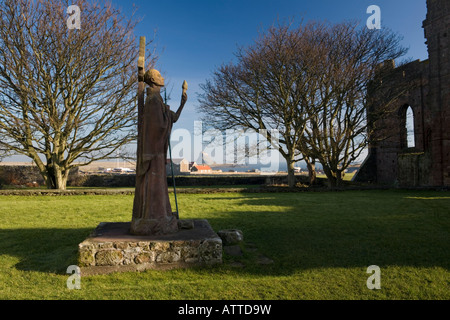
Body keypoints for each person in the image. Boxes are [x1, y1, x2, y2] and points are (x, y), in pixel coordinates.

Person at [131, 69, 187, 235]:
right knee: (155, 185)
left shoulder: (157, 100)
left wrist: (182, 103)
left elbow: (172, 118)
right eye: (160, 75)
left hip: (157, 153)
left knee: (159, 185)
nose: (163, 78)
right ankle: (154, 217)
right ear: (153, 80)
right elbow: (159, 127)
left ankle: (160, 215)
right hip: (154, 153)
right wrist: (166, 116)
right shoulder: (153, 101)